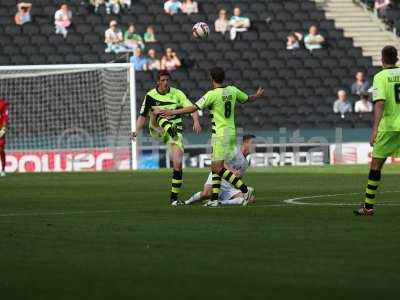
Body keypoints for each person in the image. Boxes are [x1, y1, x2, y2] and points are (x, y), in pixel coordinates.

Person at [157, 67, 264, 207]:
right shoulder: (232, 90)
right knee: (215, 168)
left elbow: (193, 108)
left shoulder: (211, 95)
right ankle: (214, 200)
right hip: (231, 132)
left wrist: (173, 112)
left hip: (220, 134)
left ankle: (244, 190)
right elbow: (248, 99)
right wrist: (256, 95)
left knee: (218, 168)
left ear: (211, 78)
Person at [131, 70, 202, 206]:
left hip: (174, 135)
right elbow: (142, 116)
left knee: (178, 164)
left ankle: (173, 199)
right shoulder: (150, 96)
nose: (165, 83)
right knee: (157, 111)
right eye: (162, 80)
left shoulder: (177, 93)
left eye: (167, 80)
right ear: (157, 81)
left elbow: (192, 108)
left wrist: (196, 121)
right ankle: (169, 126)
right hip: (157, 128)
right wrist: (136, 130)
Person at [354, 46, 400, 216]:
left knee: (376, 165)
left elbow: (379, 103)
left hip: (388, 128)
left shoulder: (379, 77)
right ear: (396, 58)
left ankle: (368, 207)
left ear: (382, 59)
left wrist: (374, 129)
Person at [185, 135, 256, 206]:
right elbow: (220, 163)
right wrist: (233, 171)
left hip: (229, 186)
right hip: (218, 178)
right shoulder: (234, 151)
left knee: (251, 199)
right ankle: (187, 202)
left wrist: (240, 181)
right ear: (245, 142)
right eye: (252, 142)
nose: (254, 145)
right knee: (206, 194)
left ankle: (220, 202)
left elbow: (237, 178)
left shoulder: (246, 163)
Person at [0, 98, 9, 177]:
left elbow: (5, 120)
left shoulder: (3, 104)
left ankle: (3, 169)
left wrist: (2, 130)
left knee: (1, 149)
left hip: (0, 129)